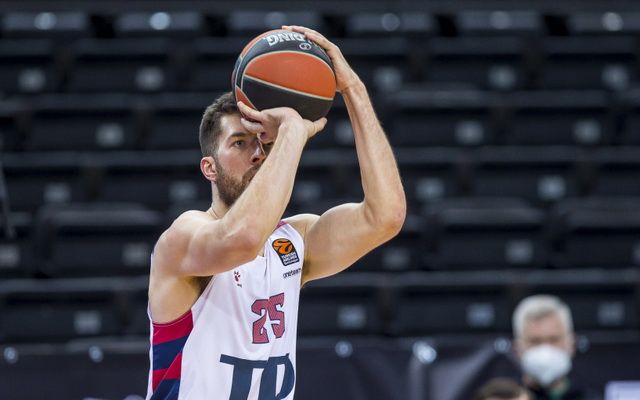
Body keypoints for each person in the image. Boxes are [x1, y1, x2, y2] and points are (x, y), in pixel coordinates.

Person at [145, 25, 406, 400]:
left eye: (263, 142)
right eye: (240, 143)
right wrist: (291, 132)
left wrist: (353, 90)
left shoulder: (293, 242)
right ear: (209, 168)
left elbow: (386, 217)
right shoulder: (185, 235)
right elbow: (244, 238)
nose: (257, 153)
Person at [513, 295, 599, 400]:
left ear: (571, 344)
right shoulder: (503, 396)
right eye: (535, 341)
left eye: (554, 340)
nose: (545, 349)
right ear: (517, 347)